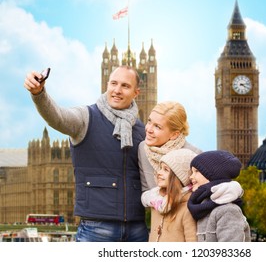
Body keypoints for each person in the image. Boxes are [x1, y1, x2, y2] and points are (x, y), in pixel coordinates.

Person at [23, 66, 148, 242]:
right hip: (96, 228)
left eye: (125, 86)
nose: (117, 90)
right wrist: (39, 94)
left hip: (137, 228)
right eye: (113, 83)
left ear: (136, 92)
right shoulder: (86, 117)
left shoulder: (142, 129)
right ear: (107, 84)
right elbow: (58, 117)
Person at [188, 150, 251, 242]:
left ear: (213, 175)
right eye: (192, 172)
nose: (191, 177)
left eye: (196, 171)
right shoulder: (203, 206)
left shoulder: (228, 211)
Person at [141, 148, 198, 242]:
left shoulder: (188, 208)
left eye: (166, 170)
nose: (159, 173)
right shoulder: (156, 202)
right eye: (160, 168)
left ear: (178, 177)